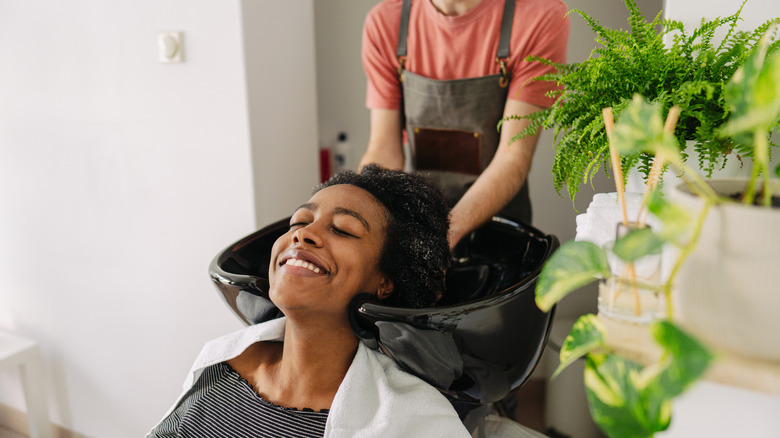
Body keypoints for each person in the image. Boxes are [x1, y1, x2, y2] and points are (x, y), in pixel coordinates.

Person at [148, 165, 470, 437]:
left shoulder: (415, 422)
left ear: (384, 283)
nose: (303, 234)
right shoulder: (223, 364)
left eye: (343, 230)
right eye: (299, 221)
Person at [360, 0, 570, 249]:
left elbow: (514, 155)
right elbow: (384, 149)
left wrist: (446, 233)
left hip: (501, 238)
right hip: (420, 225)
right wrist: (355, 213)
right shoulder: (386, 22)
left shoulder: (539, 17)